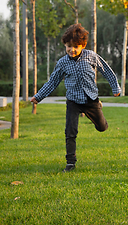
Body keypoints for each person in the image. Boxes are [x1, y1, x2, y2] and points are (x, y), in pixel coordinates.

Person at [30, 24, 121, 172]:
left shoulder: (91, 56)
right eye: (68, 46)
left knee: (102, 128)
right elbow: (53, 82)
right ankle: (70, 162)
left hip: (91, 99)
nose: (72, 50)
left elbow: (107, 71)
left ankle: (98, 107)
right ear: (65, 45)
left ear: (83, 45)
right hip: (73, 101)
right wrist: (38, 96)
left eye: (76, 46)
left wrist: (116, 88)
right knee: (70, 131)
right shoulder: (62, 63)